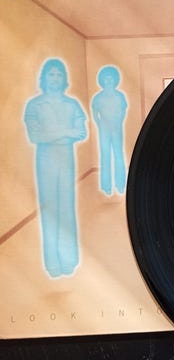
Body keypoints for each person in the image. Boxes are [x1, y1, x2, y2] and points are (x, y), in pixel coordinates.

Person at [24, 59, 87, 278]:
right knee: (50, 210)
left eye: (59, 75)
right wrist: (66, 131)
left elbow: (81, 132)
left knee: (67, 208)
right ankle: (52, 263)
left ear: (64, 79)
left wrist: (54, 133)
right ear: (43, 78)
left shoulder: (72, 104)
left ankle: (69, 260)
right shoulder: (35, 105)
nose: (55, 78)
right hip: (46, 158)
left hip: (66, 157)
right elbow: (36, 136)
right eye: (51, 74)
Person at [91, 66, 128, 196]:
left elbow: (123, 110)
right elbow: (95, 112)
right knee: (105, 156)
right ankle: (106, 186)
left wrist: (119, 121)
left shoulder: (120, 96)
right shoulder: (98, 97)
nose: (108, 81)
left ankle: (121, 185)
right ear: (102, 80)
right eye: (106, 79)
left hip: (116, 129)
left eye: (111, 78)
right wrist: (100, 124)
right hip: (104, 130)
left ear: (115, 79)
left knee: (118, 155)